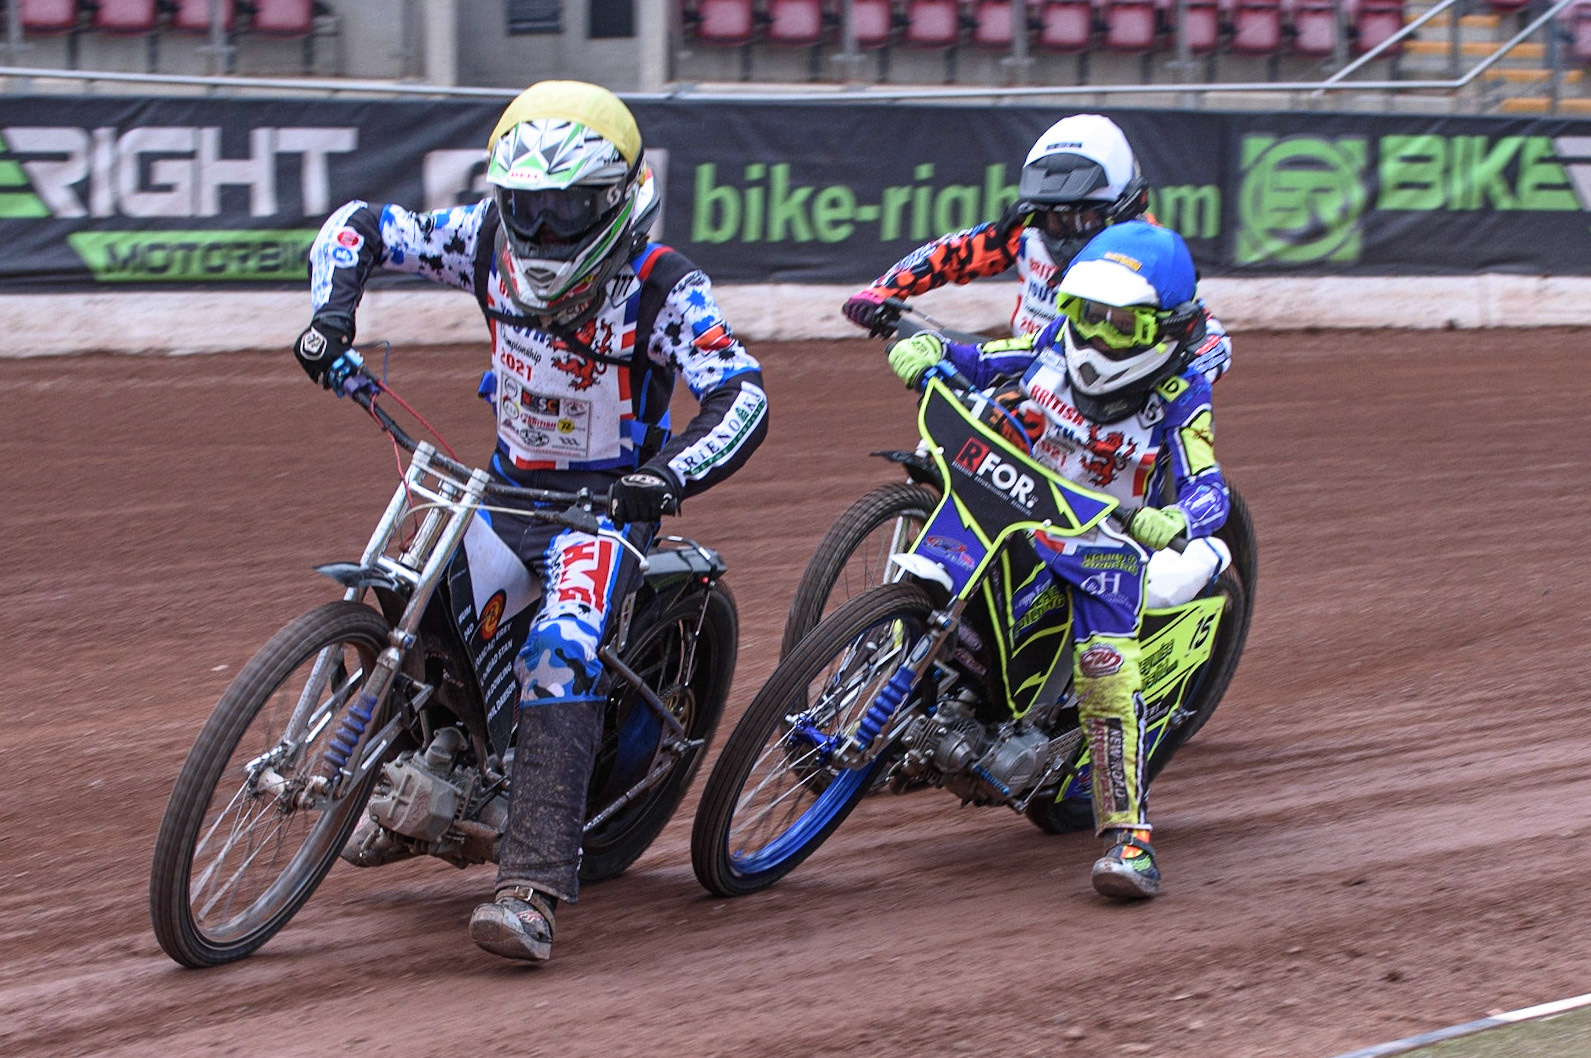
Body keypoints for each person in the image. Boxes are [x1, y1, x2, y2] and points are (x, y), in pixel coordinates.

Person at [291, 81, 769, 960]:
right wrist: (331, 314)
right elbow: (358, 223)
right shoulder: (482, 240)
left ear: (619, 200)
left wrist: (662, 479)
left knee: (559, 649)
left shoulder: (663, 286)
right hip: (506, 489)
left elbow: (741, 395)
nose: (545, 233)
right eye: (528, 212)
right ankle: (417, 787)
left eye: (569, 212)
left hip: (603, 511)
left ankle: (531, 886)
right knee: (416, 599)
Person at [884, 220, 1229, 900]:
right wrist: (929, 350)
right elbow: (981, 360)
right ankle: (893, 703)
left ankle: (1129, 840)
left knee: (1105, 670)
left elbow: (1207, 482)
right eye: (1087, 314)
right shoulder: (1049, 344)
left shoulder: (1178, 395)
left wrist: (1178, 518)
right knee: (926, 568)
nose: (1097, 337)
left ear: (1168, 328)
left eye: (1120, 326)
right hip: (1012, 499)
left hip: (1103, 541)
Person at [842, 113, 1231, 386]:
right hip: (1020, 364)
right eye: (1051, 218)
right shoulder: (1027, 231)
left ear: (1124, 207)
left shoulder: (1152, 251)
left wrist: (1188, 369)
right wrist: (882, 291)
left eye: (1082, 219)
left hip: (1106, 386)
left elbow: (1208, 331)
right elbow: (952, 253)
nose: (1062, 232)